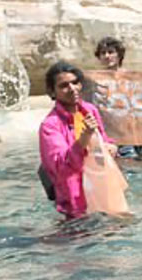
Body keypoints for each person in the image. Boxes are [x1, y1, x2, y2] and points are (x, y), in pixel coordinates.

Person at [38, 61, 118, 219]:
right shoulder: (50, 126)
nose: (72, 88)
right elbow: (61, 166)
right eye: (64, 85)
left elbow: (104, 140)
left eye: (75, 83)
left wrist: (110, 147)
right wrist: (84, 138)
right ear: (52, 91)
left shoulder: (89, 110)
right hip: (75, 203)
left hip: (102, 191)